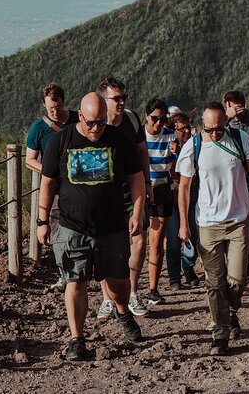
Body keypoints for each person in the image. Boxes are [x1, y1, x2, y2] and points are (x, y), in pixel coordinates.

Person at [37, 92, 145, 361]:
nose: (96, 129)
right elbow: (48, 183)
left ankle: (122, 310)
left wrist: (138, 213)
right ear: (80, 116)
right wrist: (41, 221)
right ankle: (77, 338)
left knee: (118, 282)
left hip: (112, 226)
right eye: (91, 123)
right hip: (72, 227)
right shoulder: (59, 142)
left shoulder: (120, 140)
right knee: (76, 281)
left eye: (101, 123)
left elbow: (136, 178)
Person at [176, 101, 249, 356]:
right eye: (210, 129)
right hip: (207, 224)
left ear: (225, 123)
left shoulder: (239, 139)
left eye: (219, 129)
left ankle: (230, 313)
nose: (215, 134)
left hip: (239, 220)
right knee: (215, 283)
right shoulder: (193, 147)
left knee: (237, 279)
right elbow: (184, 187)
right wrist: (184, 224)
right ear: (201, 125)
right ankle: (220, 333)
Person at [96, 77, 151, 318]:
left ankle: (132, 292)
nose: (121, 102)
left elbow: (141, 151)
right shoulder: (94, 122)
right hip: (103, 193)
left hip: (131, 190)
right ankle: (107, 298)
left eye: (123, 97)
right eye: (116, 98)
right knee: (102, 244)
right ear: (104, 99)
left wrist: (146, 182)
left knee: (138, 239)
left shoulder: (132, 119)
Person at [25, 83, 79, 292]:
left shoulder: (78, 119)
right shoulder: (38, 128)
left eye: (58, 107)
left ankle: (81, 272)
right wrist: (49, 171)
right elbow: (30, 159)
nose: (55, 112)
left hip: (80, 186)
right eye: (50, 109)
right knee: (58, 232)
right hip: (55, 189)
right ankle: (65, 275)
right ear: (44, 106)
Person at [223, 89, 249, 277]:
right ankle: (240, 262)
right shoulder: (223, 126)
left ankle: (243, 255)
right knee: (235, 221)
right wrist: (226, 119)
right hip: (232, 179)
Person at [144, 98, 177, 304]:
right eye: (155, 118)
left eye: (162, 119)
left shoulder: (170, 136)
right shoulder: (138, 136)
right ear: (147, 116)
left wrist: (177, 151)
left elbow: (178, 164)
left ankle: (153, 289)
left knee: (156, 242)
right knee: (136, 241)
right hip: (140, 189)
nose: (158, 123)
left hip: (162, 189)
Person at [165, 110, 199, 290]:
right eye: (181, 129)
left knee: (193, 235)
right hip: (171, 199)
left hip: (191, 197)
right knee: (172, 238)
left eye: (187, 128)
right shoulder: (168, 147)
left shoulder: (195, 145)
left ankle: (188, 268)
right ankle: (173, 277)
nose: (185, 131)